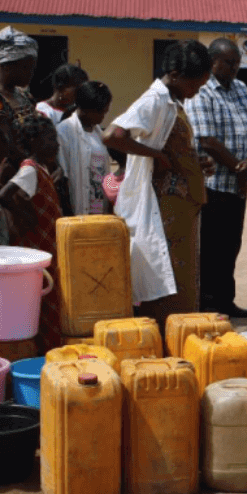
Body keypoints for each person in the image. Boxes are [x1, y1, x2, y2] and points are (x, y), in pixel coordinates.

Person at [103, 40, 214, 327]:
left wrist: (195, 163)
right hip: (164, 212)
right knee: (167, 282)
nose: (196, 91)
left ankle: (178, 337)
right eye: (195, 84)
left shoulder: (172, 103)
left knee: (182, 279)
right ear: (176, 75)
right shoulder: (154, 100)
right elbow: (113, 135)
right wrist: (157, 156)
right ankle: (165, 341)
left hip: (181, 209)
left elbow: (173, 149)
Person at [184, 38, 247, 319]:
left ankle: (226, 300)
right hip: (213, 184)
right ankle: (208, 304)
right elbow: (206, 140)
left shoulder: (241, 89)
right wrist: (238, 168)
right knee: (210, 247)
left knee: (231, 245)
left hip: (239, 185)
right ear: (212, 61)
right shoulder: (202, 92)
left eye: (237, 63)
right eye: (229, 63)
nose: (235, 68)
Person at [0, 114, 65, 350]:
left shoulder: (41, 169)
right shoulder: (30, 169)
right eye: (49, 139)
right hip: (40, 250)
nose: (55, 144)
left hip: (49, 249)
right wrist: (27, 216)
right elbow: (5, 194)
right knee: (47, 306)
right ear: (34, 142)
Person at [0, 27, 39, 169]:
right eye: (26, 68)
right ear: (7, 67)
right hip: (10, 175)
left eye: (32, 68)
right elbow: (8, 147)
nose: (31, 73)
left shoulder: (23, 95)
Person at [56, 81, 112, 216]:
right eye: (101, 112)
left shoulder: (98, 133)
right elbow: (62, 179)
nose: (103, 117)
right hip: (77, 211)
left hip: (98, 211)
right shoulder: (64, 131)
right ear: (86, 109)